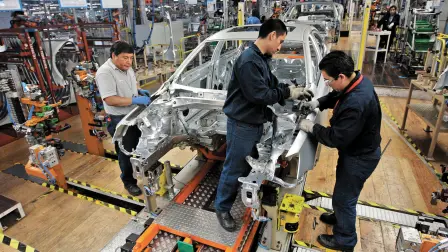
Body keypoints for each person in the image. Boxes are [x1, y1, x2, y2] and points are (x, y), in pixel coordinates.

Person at [214, 19, 314, 232]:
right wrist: (287, 94)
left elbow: (270, 83)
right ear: (271, 36)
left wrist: (291, 89)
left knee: (247, 163)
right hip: (243, 124)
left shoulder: (260, 58)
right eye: (280, 41)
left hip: (254, 122)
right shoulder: (249, 61)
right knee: (234, 166)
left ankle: (242, 190)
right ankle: (222, 208)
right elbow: (259, 94)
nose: (280, 47)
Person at [299, 51, 382, 251]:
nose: (327, 84)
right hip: (355, 151)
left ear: (341, 76)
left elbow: (336, 137)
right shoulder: (358, 81)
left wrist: (311, 128)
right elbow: (338, 94)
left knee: (345, 199)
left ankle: (345, 240)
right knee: (342, 192)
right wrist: (318, 103)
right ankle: (339, 218)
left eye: (328, 80)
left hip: (360, 157)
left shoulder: (356, 103)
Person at [96, 41, 151, 196]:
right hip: (119, 119)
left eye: (131, 58)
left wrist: (139, 92)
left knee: (141, 144)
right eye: (125, 57)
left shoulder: (127, 68)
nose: (128, 61)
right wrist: (135, 100)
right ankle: (128, 181)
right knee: (125, 152)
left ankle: (144, 168)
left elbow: (128, 87)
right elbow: (110, 99)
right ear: (114, 56)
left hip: (134, 114)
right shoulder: (105, 72)